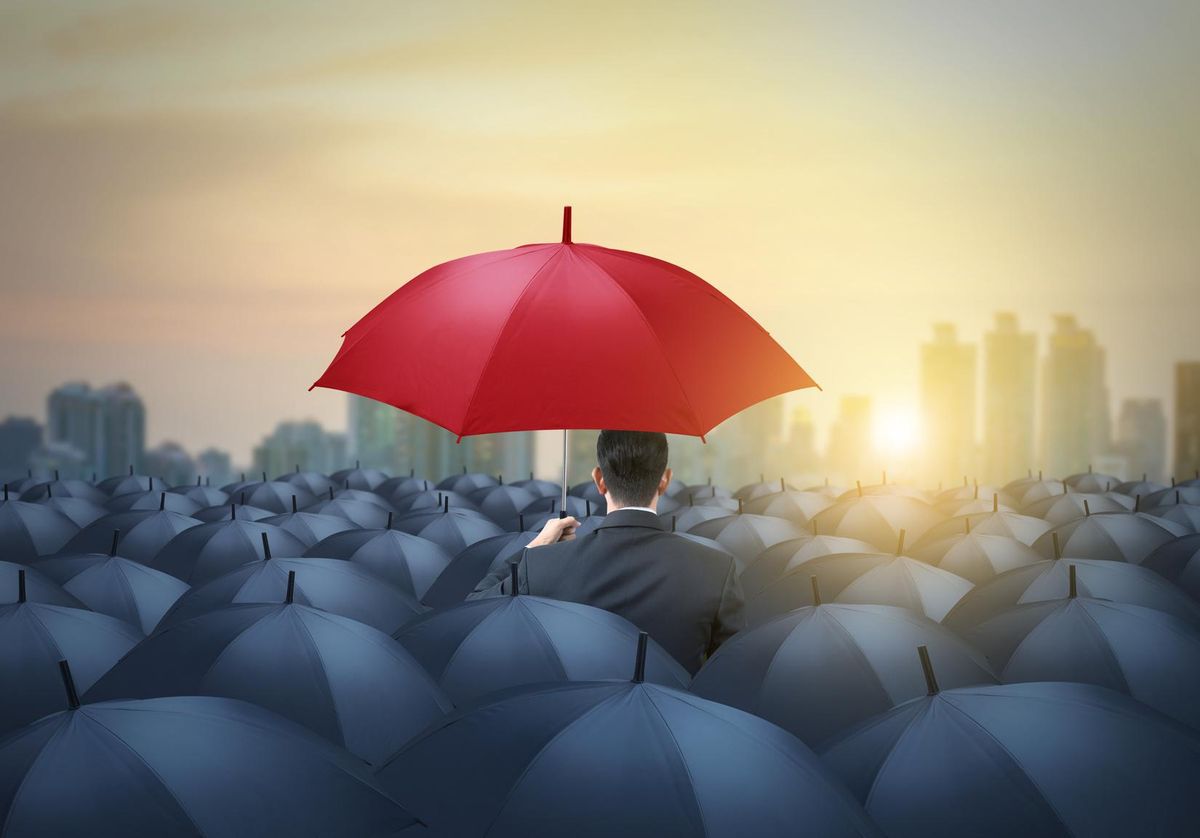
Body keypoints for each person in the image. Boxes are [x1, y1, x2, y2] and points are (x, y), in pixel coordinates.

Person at [469, 429, 744, 674]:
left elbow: (475, 610)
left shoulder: (543, 566)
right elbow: (732, 675)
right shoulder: (716, 570)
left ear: (599, 480)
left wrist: (535, 548)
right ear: (665, 480)